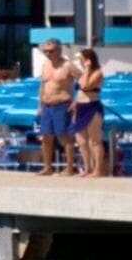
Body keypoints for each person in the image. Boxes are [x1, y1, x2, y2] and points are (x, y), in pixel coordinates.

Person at [31, 42, 77, 175]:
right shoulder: (45, 65)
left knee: (64, 137)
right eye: (45, 51)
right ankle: (47, 167)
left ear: (59, 50)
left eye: (50, 51)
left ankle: (69, 168)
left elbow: (83, 81)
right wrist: (39, 105)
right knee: (46, 137)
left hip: (62, 104)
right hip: (47, 105)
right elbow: (43, 85)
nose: (47, 54)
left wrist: (77, 100)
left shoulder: (67, 65)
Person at [72, 47, 109, 179]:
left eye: (81, 59)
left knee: (95, 140)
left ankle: (98, 170)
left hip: (92, 106)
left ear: (88, 59)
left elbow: (86, 86)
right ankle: (87, 168)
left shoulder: (97, 72)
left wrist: (87, 69)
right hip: (81, 106)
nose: (80, 62)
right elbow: (79, 90)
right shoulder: (83, 73)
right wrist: (75, 105)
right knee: (81, 141)